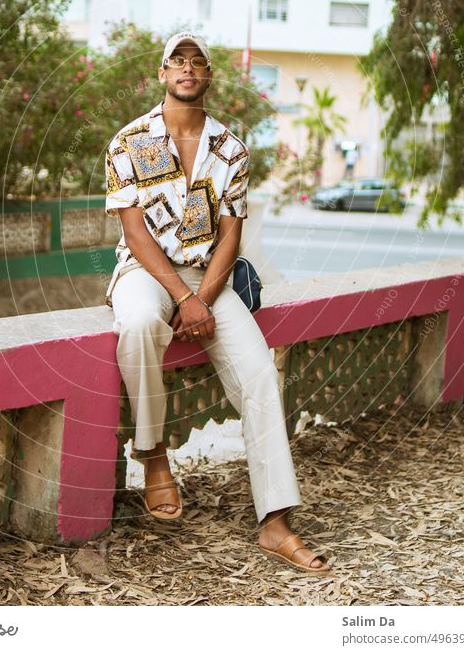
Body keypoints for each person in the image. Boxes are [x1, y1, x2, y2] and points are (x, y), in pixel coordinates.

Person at [104, 32, 331, 574]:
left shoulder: (231, 148)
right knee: (137, 321)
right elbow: (134, 234)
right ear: (163, 74)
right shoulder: (128, 141)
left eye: (196, 62)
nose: (187, 69)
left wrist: (201, 299)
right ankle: (153, 453)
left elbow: (231, 235)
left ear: (208, 77)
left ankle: (275, 521)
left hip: (209, 279)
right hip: (146, 270)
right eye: (176, 62)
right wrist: (182, 297)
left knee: (258, 373)